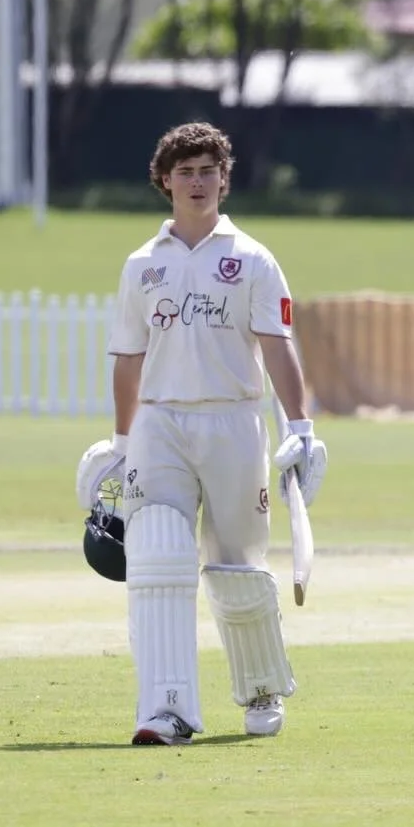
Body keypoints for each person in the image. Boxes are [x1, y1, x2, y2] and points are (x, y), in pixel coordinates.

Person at [74, 122, 327, 745]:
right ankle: (166, 709)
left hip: (233, 420)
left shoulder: (253, 259)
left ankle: (261, 686)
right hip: (160, 421)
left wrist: (300, 427)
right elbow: (128, 357)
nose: (197, 181)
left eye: (208, 169)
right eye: (184, 171)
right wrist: (123, 440)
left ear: (224, 178)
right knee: (157, 551)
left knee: (238, 564)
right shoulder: (142, 266)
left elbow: (277, 345)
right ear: (164, 181)